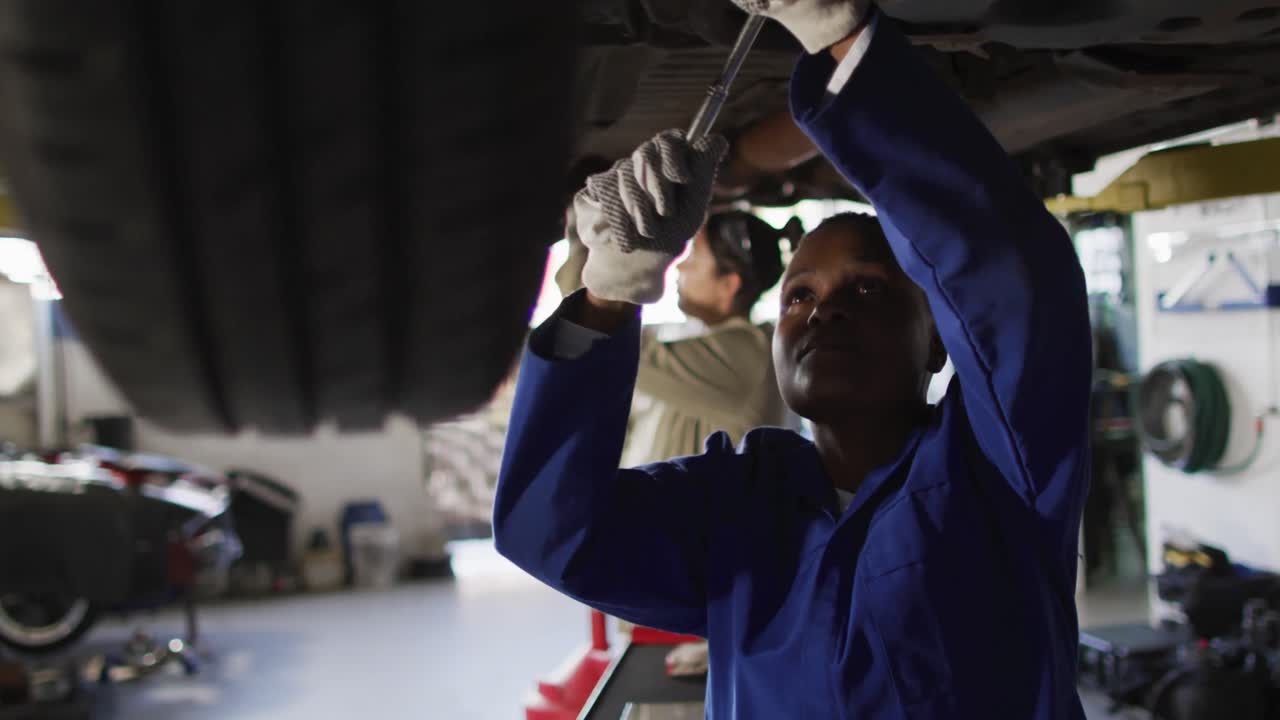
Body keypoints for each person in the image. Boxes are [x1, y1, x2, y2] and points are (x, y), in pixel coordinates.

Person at [494, 1, 1091, 717]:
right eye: (799, 296)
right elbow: (551, 531)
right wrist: (609, 295)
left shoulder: (996, 475)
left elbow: (1016, 286)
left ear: (937, 340)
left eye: (868, 288)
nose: (824, 310)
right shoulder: (740, 508)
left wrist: (841, 39)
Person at [556, 211, 790, 466]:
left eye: (693, 258)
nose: (680, 266)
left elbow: (604, 338)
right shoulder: (702, 341)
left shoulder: (745, 352)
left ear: (728, 285)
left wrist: (589, 230)